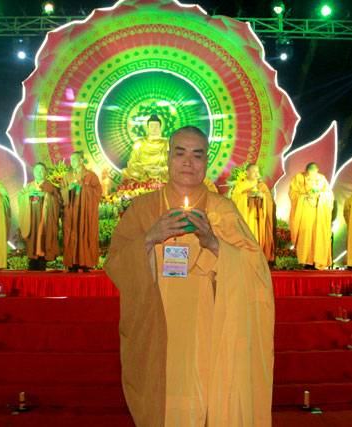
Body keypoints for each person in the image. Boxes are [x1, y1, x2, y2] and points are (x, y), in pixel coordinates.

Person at [105, 126, 274, 426]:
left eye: (197, 155)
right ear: (168, 158)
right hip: (156, 327)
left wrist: (214, 244)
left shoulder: (224, 210)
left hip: (209, 330)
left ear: (206, 162)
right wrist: (150, 237)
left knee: (205, 402)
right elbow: (116, 263)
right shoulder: (143, 209)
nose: (187, 162)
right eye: (180, 153)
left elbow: (257, 271)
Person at [288, 162, 334, 269]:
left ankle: (316, 261)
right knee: (305, 236)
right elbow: (292, 194)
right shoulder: (298, 178)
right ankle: (306, 261)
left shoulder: (322, 179)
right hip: (304, 213)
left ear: (317, 171)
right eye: (309, 175)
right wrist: (305, 195)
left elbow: (329, 195)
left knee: (318, 236)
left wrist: (320, 195)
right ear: (305, 171)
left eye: (314, 175)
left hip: (318, 214)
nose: (311, 177)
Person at [61, 151, 101, 272]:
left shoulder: (90, 176)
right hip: (71, 211)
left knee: (85, 234)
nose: (71, 162)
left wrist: (84, 187)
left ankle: (85, 263)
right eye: (71, 159)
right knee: (71, 235)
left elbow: (98, 192)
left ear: (81, 160)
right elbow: (61, 193)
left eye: (74, 159)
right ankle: (72, 264)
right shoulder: (67, 177)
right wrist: (68, 189)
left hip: (85, 212)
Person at [18, 162, 62, 270]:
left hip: (44, 219)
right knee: (33, 237)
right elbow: (20, 197)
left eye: (42, 170)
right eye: (37, 170)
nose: (39, 172)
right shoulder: (29, 186)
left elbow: (58, 202)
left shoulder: (50, 187)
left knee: (43, 238)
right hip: (32, 218)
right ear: (33, 172)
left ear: (45, 172)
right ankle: (32, 260)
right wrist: (28, 195)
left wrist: (46, 196)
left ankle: (42, 260)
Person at [231, 164, 275, 261]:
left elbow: (269, 200)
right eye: (254, 172)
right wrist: (246, 196)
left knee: (256, 238)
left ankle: (257, 259)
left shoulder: (262, 186)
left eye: (257, 172)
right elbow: (234, 200)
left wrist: (262, 196)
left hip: (257, 218)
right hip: (245, 218)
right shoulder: (240, 186)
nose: (256, 174)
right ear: (247, 172)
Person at [120, 114, 170, 183]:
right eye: (151, 126)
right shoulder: (139, 143)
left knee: (172, 174)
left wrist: (162, 169)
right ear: (147, 128)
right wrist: (143, 169)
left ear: (160, 128)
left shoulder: (166, 143)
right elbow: (132, 162)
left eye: (156, 126)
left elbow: (171, 163)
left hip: (160, 172)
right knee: (125, 172)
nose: (154, 128)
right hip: (142, 172)